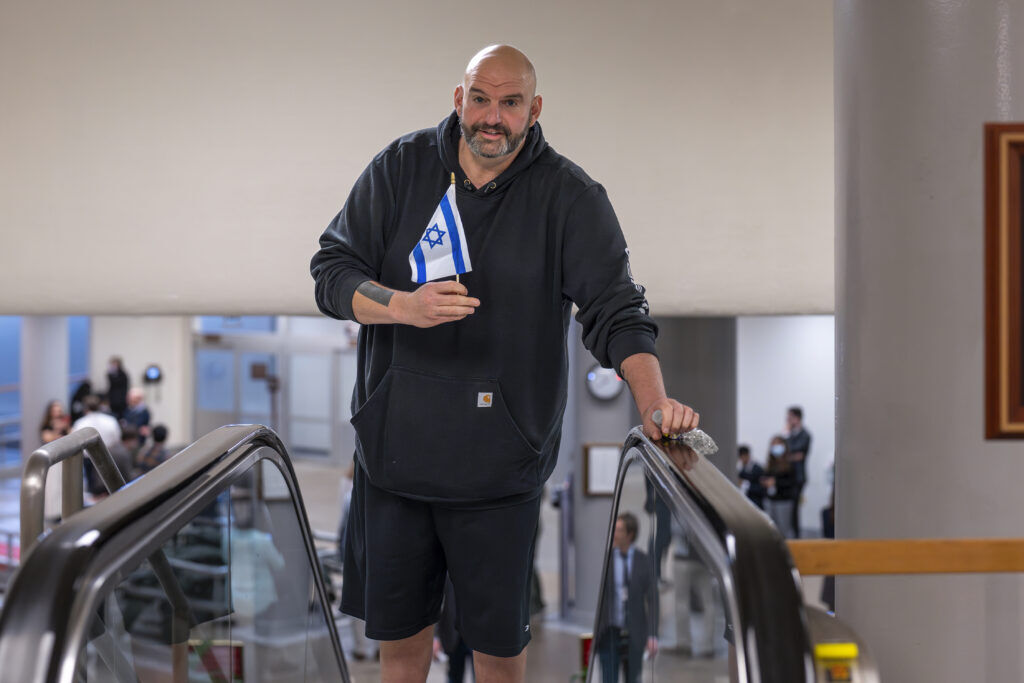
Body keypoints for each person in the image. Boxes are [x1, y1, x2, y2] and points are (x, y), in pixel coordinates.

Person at [309, 44, 699, 683]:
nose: (493, 117)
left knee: (498, 662)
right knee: (401, 658)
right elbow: (331, 271)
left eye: (510, 103)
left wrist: (654, 402)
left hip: (500, 477)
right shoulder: (400, 168)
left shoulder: (569, 197)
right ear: (458, 99)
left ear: (534, 109)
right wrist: (401, 306)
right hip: (395, 461)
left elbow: (617, 309)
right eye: (481, 99)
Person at [596, 512, 658, 683]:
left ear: (630, 535)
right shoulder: (606, 559)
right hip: (609, 633)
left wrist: (652, 635)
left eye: (619, 530)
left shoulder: (643, 561)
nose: (614, 534)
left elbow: (653, 599)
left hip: (634, 635)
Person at [434, 577, 474, 683]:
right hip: (453, 635)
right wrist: (436, 637)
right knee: (454, 677)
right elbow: (437, 604)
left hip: (476, 635)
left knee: (481, 675)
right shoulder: (448, 570)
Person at [761, 436, 799, 539]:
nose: (776, 447)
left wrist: (776, 482)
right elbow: (765, 476)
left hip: (784, 501)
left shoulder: (790, 464)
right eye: (774, 444)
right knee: (771, 530)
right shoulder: (770, 463)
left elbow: (792, 482)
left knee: (785, 530)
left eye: (778, 444)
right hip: (770, 500)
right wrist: (765, 482)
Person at [784, 406, 811, 538]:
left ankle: (796, 536)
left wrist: (790, 455)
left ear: (797, 418)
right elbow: (785, 452)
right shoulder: (790, 435)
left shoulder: (805, 435)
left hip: (798, 477)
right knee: (787, 507)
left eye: (789, 417)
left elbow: (798, 451)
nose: (787, 420)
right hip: (787, 477)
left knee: (794, 508)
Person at [736, 444, 766, 509]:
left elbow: (762, 489)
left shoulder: (758, 469)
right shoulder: (742, 469)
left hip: (756, 504)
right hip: (745, 502)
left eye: (741, 457)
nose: (741, 459)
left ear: (746, 455)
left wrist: (745, 484)